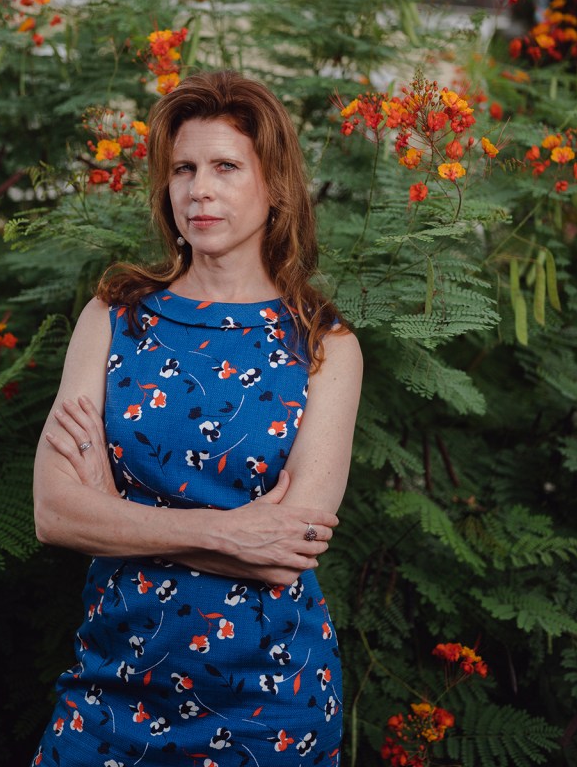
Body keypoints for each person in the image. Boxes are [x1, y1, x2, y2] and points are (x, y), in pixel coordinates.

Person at [31, 70, 363, 767]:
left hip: (270, 701)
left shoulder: (324, 344)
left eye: (225, 167)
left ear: (273, 186)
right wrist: (232, 530)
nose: (198, 189)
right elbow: (56, 513)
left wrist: (117, 514)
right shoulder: (113, 316)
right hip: (110, 686)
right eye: (183, 168)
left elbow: (287, 554)